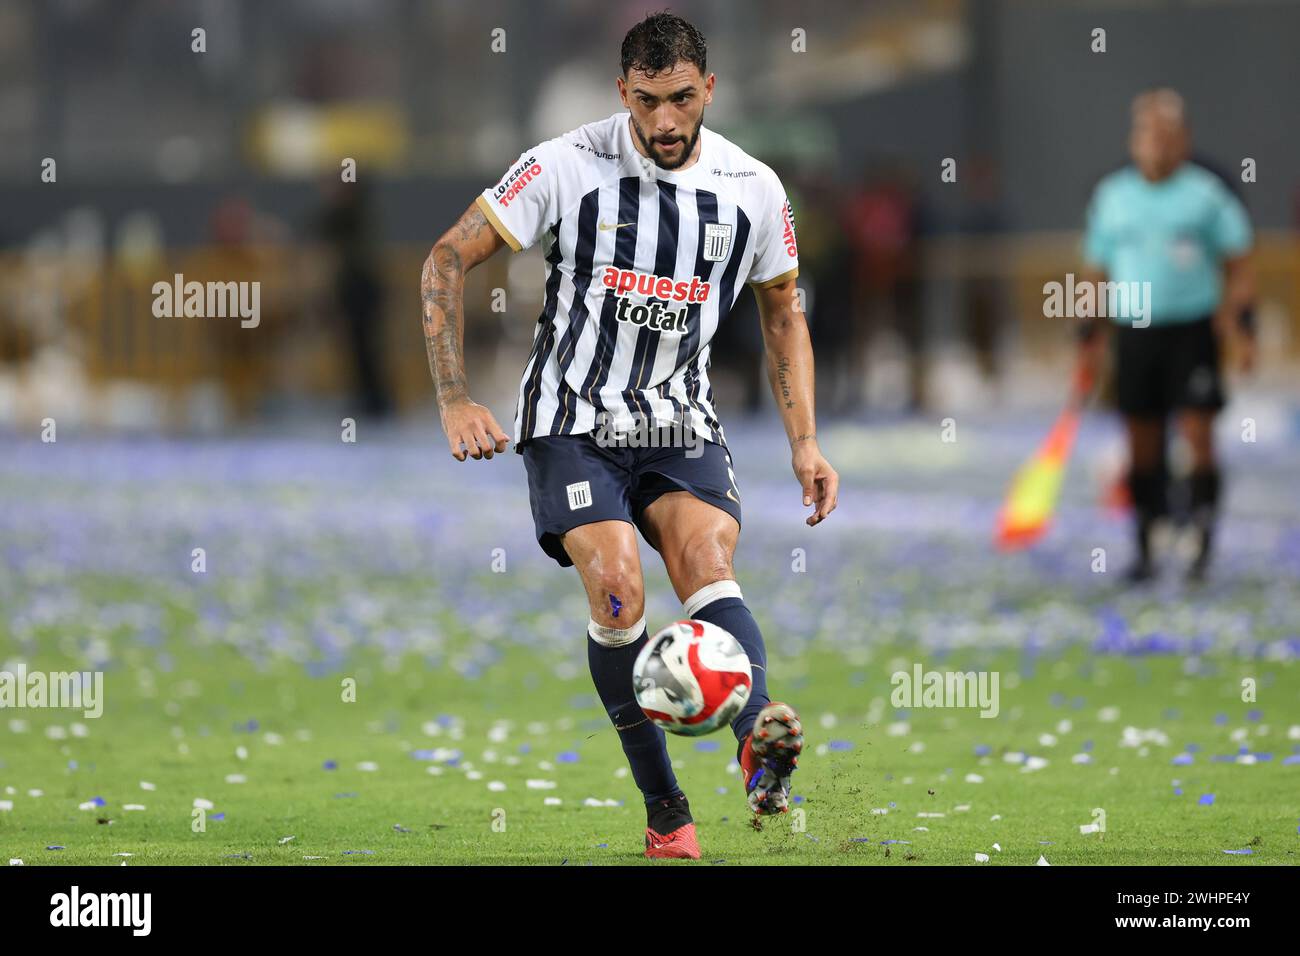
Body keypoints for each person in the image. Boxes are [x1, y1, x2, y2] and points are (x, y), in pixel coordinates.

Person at [419, 12, 838, 859]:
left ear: (709, 90)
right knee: (617, 586)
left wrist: (806, 442)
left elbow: (783, 313)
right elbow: (444, 260)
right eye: (647, 102)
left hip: (680, 419)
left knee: (707, 567)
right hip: (572, 420)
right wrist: (456, 397)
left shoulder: (752, 187)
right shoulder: (564, 166)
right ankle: (666, 812)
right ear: (623, 94)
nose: (665, 122)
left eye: (682, 99)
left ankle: (758, 747)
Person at [1078, 89, 1254, 582]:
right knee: (1142, 444)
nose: (1155, 143)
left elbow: (1239, 265)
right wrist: (1089, 339)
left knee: (1199, 435)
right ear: (1134, 140)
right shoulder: (1113, 196)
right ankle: (1146, 544)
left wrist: (1244, 330)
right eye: (1146, 133)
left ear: (1184, 139)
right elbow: (1096, 272)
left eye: (1166, 134)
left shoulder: (1206, 194)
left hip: (1193, 329)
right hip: (1135, 333)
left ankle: (1201, 538)